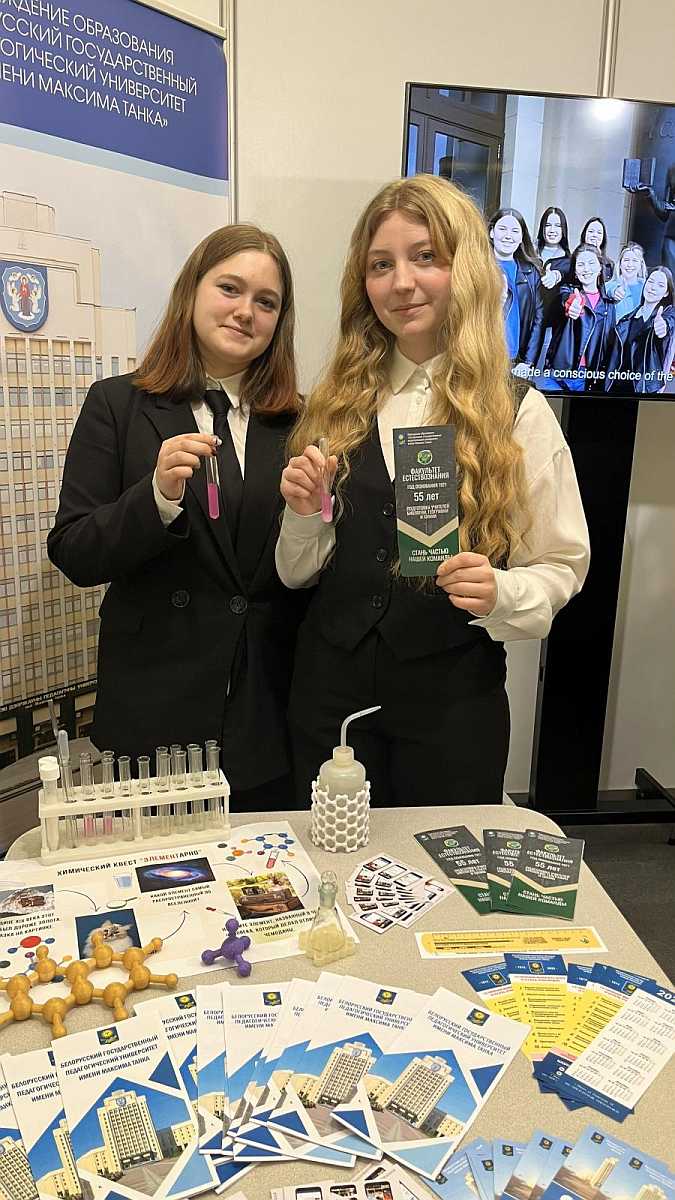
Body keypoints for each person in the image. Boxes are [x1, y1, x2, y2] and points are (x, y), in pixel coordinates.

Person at [276, 175, 590, 807]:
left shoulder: (518, 411)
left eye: (425, 257)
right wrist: (303, 515)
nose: (401, 282)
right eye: (381, 264)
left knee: (445, 861)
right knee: (332, 854)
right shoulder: (334, 406)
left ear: (465, 269)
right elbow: (296, 572)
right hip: (330, 701)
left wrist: (500, 592)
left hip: (453, 705)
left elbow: (562, 563)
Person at [48, 224, 308, 810]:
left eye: (266, 302)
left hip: (267, 708)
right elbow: (74, 551)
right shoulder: (117, 404)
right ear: (192, 290)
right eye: (230, 289)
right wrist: (157, 499)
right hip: (155, 711)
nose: (245, 312)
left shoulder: (299, 421)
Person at [544, 242, 617, 392]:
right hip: (559, 373)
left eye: (591, 263)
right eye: (581, 264)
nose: (586, 269)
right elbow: (566, 300)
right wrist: (571, 306)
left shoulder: (608, 304)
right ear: (575, 272)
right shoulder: (568, 291)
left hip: (587, 377)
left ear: (600, 268)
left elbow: (607, 343)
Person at [488, 206, 543, 376]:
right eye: (502, 229)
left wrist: (528, 362)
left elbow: (538, 319)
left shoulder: (530, 272)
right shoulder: (478, 268)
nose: (508, 236)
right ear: (491, 232)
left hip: (516, 361)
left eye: (514, 231)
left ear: (521, 238)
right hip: (483, 355)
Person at [608, 266, 675, 395]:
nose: (653, 288)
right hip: (617, 389)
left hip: (644, 391)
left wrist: (664, 326)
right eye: (651, 281)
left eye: (660, 285)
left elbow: (670, 321)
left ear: (666, 292)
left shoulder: (666, 316)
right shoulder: (626, 319)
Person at [535, 206, 572, 369]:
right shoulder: (530, 253)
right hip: (525, 323)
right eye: (548, 225)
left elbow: (564, 273)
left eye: (557, 225)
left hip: (550, 330)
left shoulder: (568, 260)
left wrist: (556, 276)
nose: (552, 230)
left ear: (563, 230)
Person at [606, 242, 647, 320]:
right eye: (626, 260)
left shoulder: (646, 287)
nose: (630, 265)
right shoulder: (609, 286)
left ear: (641, 265)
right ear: (620, 264)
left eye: (635, 260)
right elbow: (609, 290)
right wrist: (614, 292)